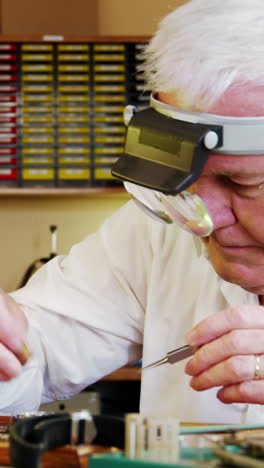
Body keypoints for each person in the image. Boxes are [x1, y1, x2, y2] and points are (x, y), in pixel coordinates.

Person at [1, 0, 264, 423]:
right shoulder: (158, 232)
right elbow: (41, 350)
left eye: (244, 183)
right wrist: (8, 350)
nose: (204, 219)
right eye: (186, 178)